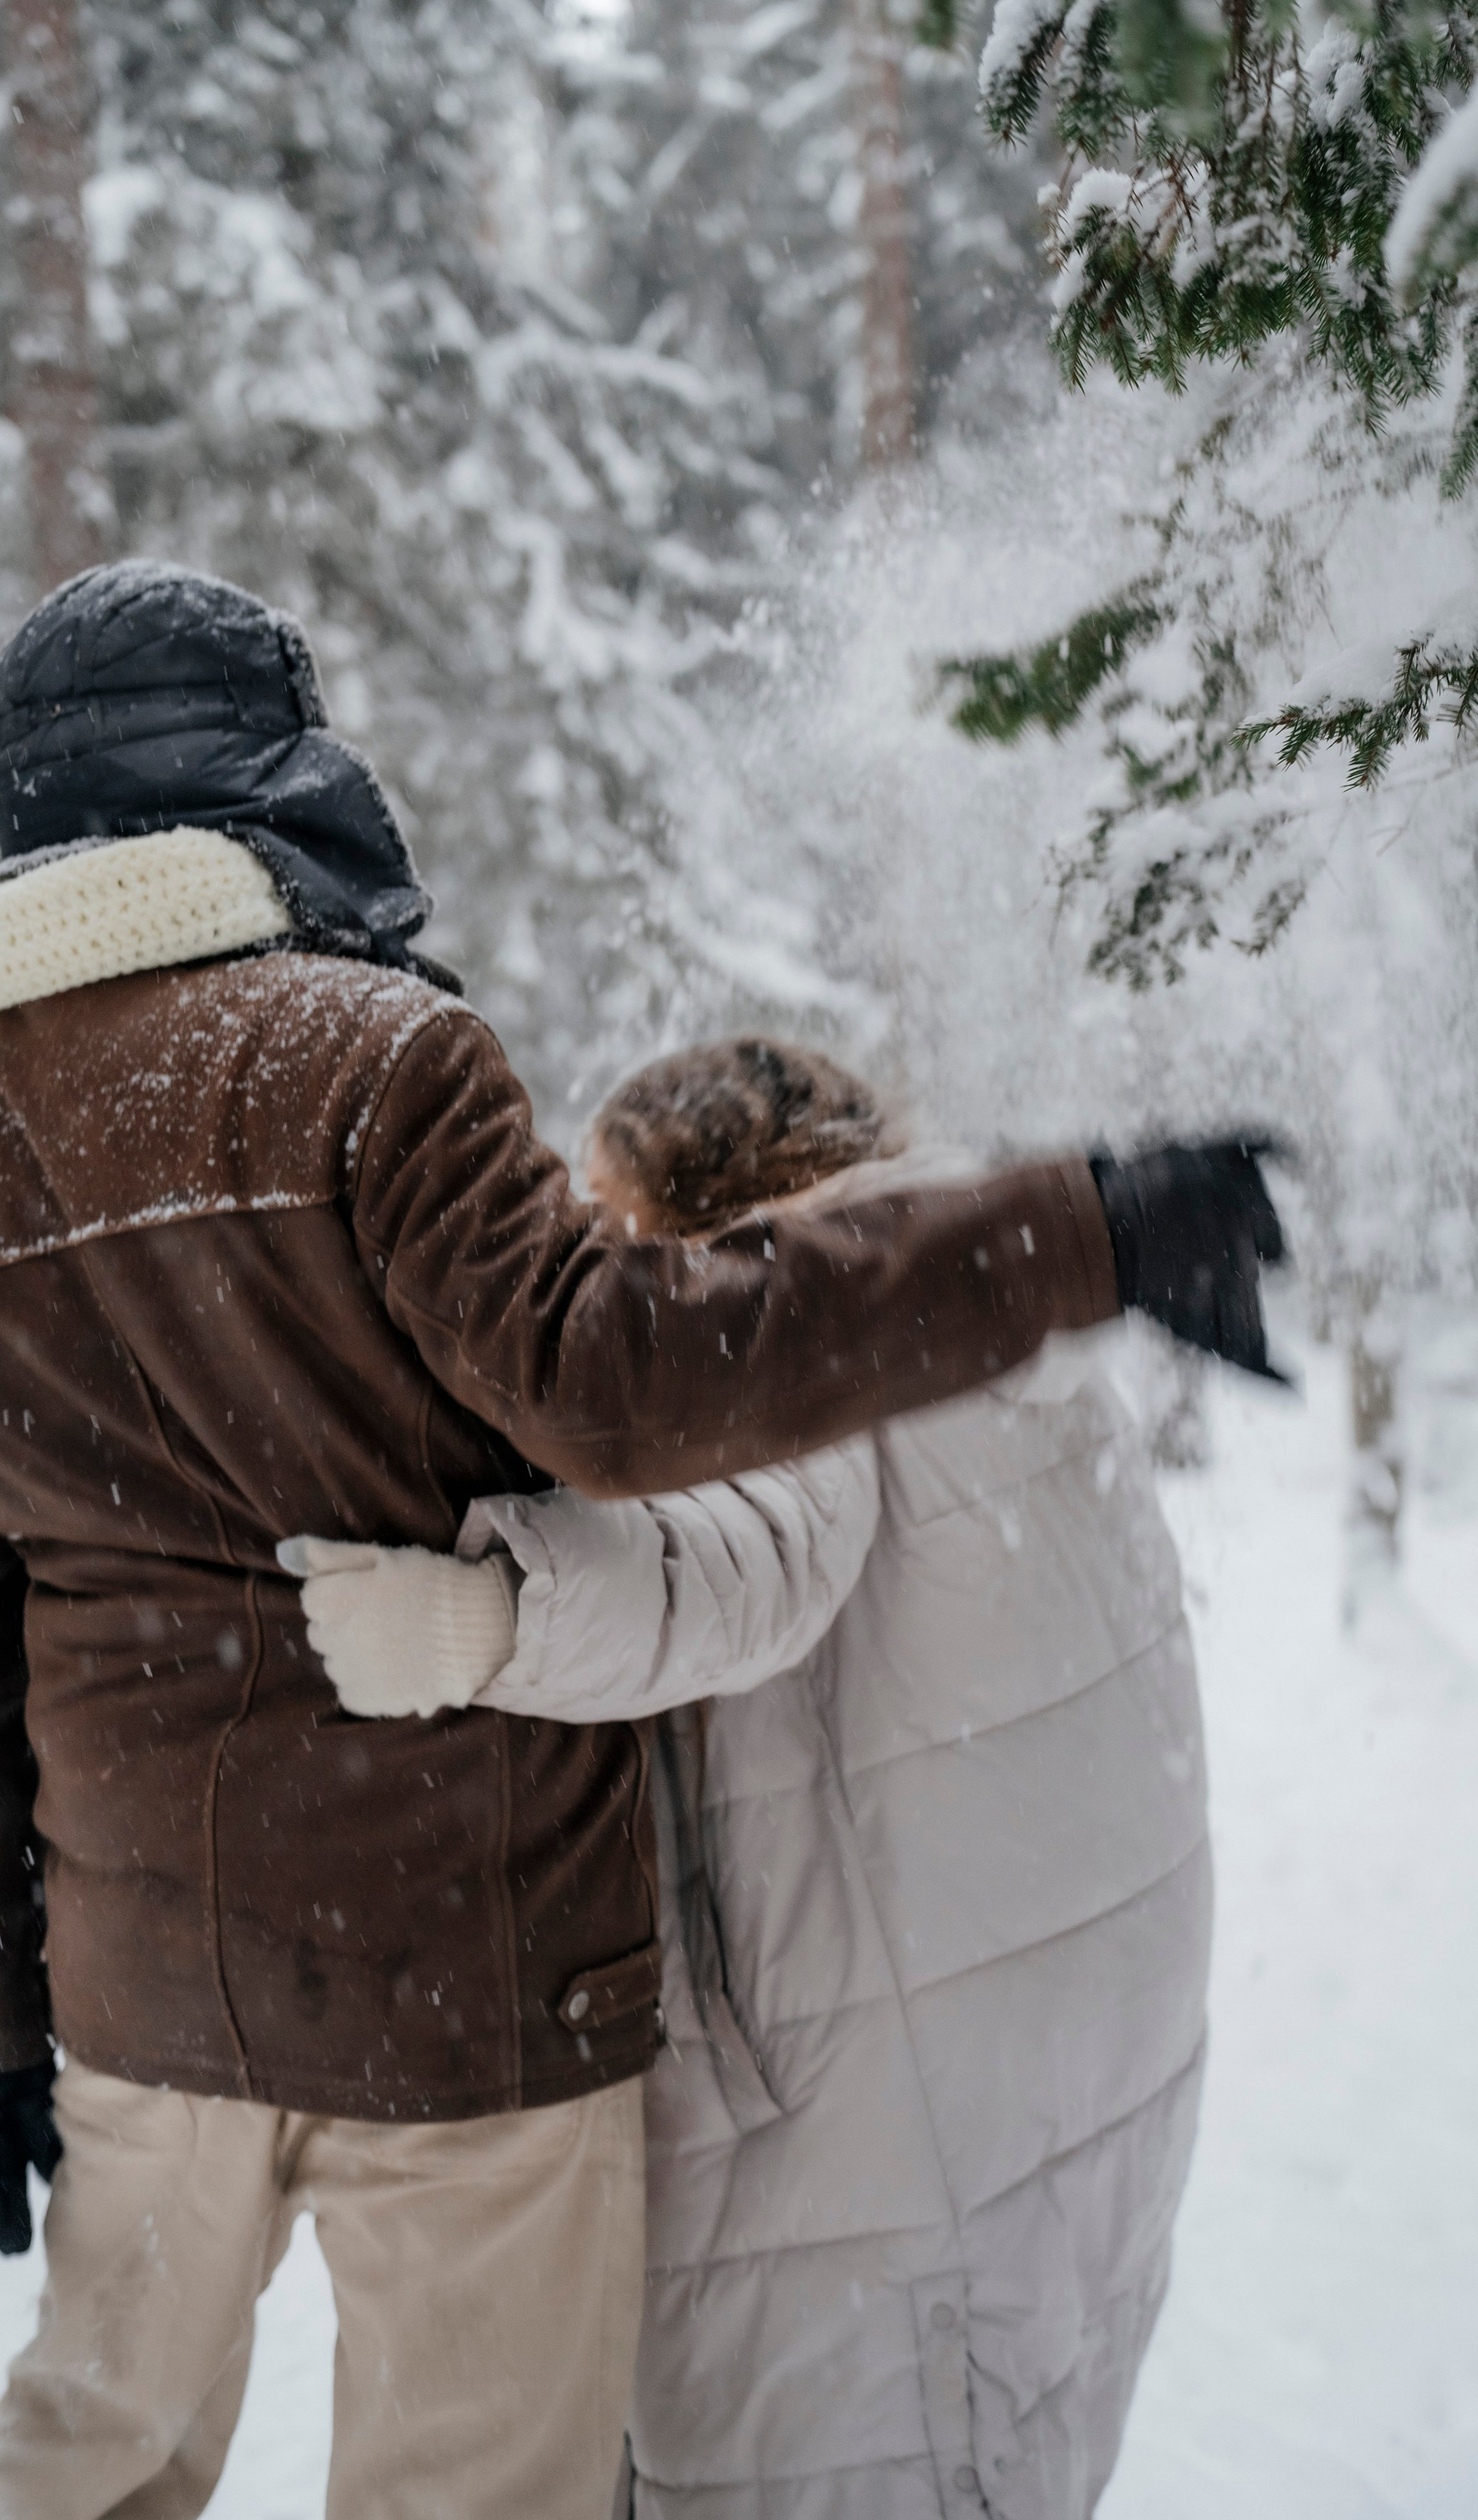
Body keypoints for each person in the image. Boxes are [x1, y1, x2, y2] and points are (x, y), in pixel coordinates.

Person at [0, 560, 1282, 2520]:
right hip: (468, 1977)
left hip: (149, 1993)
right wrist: (1075, 1229)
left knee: (86, 2464)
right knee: (474, 2486)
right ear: (263, 767)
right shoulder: (371, 1060)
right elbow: (630, 1381)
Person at [291, 1039, 1234, 2517]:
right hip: (1058, 2081)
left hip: (876, 2133)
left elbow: (740, 1568)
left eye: (608, 1225)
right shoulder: (994, 1303)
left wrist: (492, 1617)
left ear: (700, 1202)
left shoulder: (805, 1332)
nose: (598, 1270)